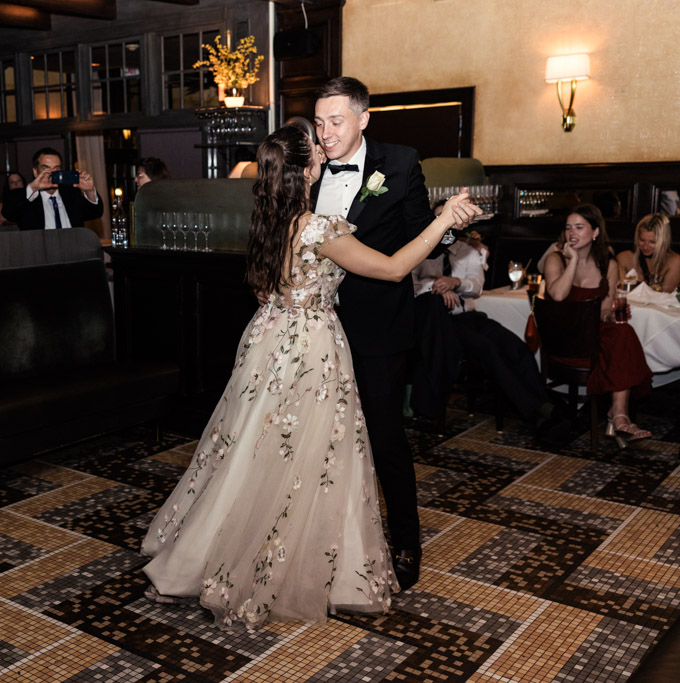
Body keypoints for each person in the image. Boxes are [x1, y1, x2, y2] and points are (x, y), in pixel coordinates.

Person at [140, 125, 478, 628]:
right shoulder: (318, 229)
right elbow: (391, 269)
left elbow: (266, 286)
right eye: (316, 147)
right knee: (312, 454)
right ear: (305, 170)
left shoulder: (269, 220)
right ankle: (290, 566)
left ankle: (214, 552)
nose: (324, 147)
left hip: (268, 341)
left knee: (255, 450)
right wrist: (445, 219)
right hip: (310, 347)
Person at [310, 76, 475, 590]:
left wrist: (448, 226)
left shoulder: (400, 162)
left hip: (378, 326)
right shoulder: (307, 165)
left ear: (363, 119)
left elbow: (416, 233)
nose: (326, 133)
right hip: (314, 326)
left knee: (384, 437)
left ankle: (406, 540)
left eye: (336, 121)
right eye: (319, 123)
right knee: (318, 437)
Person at [409, 204, 568, 442]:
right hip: (442, 325)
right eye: (439, 217)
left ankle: (542, 406)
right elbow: (409, 287)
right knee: (489, 350)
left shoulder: (468, 250)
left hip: (470, 317)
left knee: (516, 347)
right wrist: (437, 287)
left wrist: (456, 282)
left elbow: (477, 287)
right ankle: (541, 410)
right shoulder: (420, 251)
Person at [544, 203, 653, 445]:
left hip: (592, 335)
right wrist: (573, 260)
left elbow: (605, 307)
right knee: (620, 340)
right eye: (568, 228)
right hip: (563, 339)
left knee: (623, 331)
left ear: (595, 232)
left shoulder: (608, 264)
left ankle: (619, 414)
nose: (572, 233)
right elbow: (558, 295)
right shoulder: (555, 259)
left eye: (579, 227)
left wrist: (609, 316)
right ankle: (617, 415)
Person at [1, 148, 103, 230]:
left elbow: (95, 213)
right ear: (35, 172)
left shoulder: (71, 194)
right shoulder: (27, 199)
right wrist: (33, 187)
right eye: (46, 168)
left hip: (72, 247)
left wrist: (89, 191)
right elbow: (8, 213)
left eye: (56, 168)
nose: (52, 173)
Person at [615, 213, 680, 292]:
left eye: (652, 242)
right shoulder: (623, 258)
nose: (645, 247)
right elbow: (618, 292)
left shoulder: (675, 261)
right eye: (642, 240)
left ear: (664, 241)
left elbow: (666, 295)